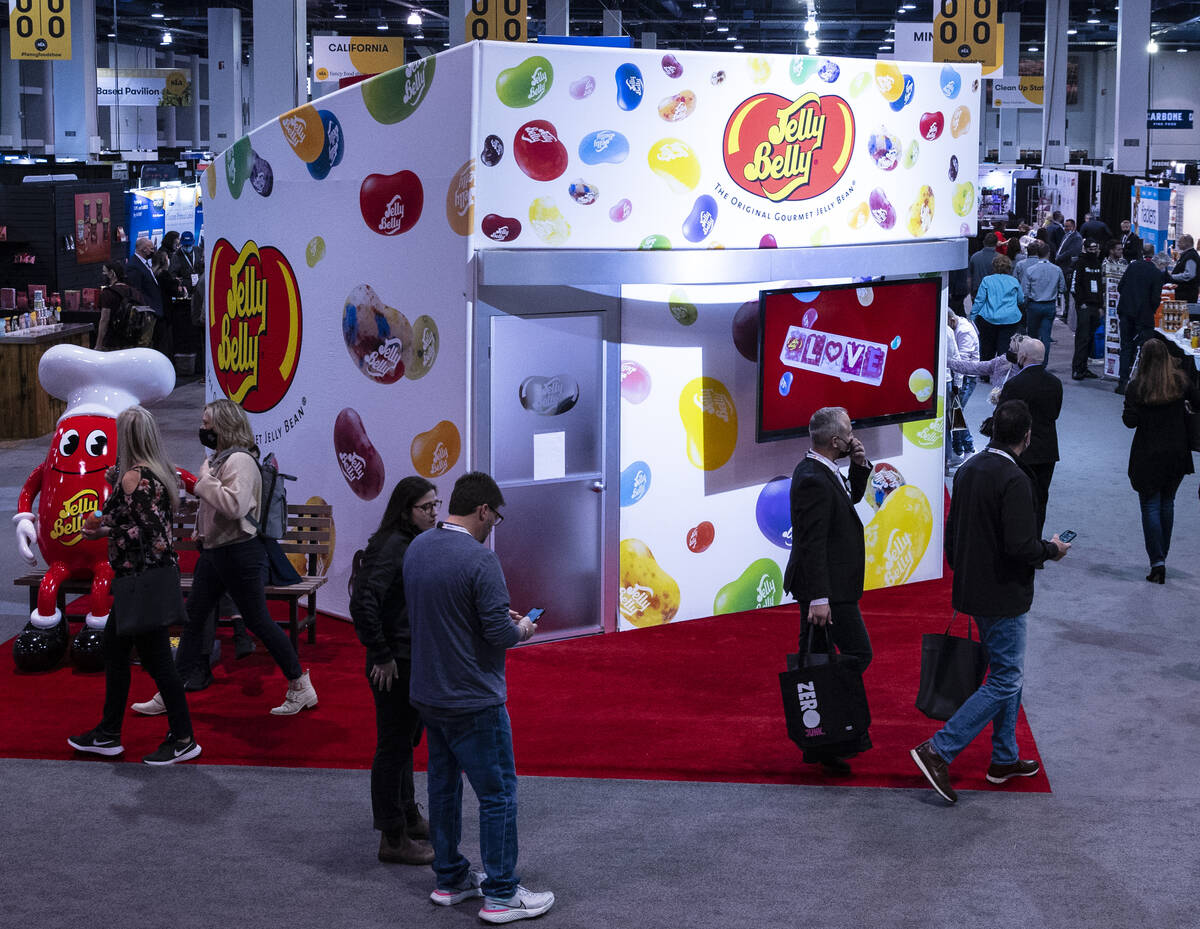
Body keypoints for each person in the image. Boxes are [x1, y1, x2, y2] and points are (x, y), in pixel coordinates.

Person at [403, 472, 554, 924]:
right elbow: (499, 634)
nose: (494, 526)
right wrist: (522, 627)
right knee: (498, 793)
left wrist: (491, 615)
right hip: (473, 697)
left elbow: (441, 612)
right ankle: (502, 893)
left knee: (444, 788)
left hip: (429, 692)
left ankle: (450, 879)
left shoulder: (417, 548)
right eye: (495, 517)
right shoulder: (481, 561)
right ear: (483, 510)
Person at [911, 400, 1070, 804]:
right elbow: (1020, 546)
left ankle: (1004, 758)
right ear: (1027, 436)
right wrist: (1051, 550)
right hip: (1003, 594)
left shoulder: (969, 468)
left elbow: (954, 532)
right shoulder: (1014, 479)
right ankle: (939, 750)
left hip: (973, 588)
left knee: (1006, 673)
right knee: (1006, 679)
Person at [132, 399, 317, 716]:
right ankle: (171, 691)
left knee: (258, 621)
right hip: (216, 553)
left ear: (225, 427)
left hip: (240, 553)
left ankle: (300, 685)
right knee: (194, 619)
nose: (202, 429)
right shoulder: (221, 460)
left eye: (207, 424)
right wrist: (198, 508)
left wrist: (202, 482)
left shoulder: (240, 461)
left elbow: (235, 506)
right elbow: (220, 504)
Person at [68, 405, 202, 765]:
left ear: (125, 438)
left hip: (138, 582)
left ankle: (183, 737)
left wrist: (96, 526)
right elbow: (148, 528)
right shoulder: (160, 475)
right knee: (115, 650)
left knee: (158, 662)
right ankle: (109, 732)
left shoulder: (130, 478)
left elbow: (116, 523)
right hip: (156, 577)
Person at [351, 476, 440, 866]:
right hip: (393, 663)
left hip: (407, 657)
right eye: (426, 507)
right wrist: (382, 654)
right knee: (392, 746)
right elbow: (363, 603)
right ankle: (392, 836)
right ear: (407, 510)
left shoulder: (410, 542)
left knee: (404, 743)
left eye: (437, 505)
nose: (434, 513)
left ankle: (407, 815)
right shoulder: (392, 547)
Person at [782, 406, 873, 775]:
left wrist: (860, 466)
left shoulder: (822, 470)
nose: (854, 435)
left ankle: (821, 744)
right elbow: (812, 542)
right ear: (836, 441)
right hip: (828, 592)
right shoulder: (812, 479)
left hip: (830, 588)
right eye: (849, 431)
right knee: (855, 654)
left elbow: (847, 498)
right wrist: (819, 598)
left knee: (819, 661)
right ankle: (830, 735)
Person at [1122, 339, 1200, 584]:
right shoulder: (1180, 381)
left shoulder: (1137, 386)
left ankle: (1157, 560)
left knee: (1150, 506)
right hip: (1177, 452)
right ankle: (1162, 555)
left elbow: (1129, 421)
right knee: (1168, 503)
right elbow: (1198, 403)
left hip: (1148, 454)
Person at [998, 339, 1061, 537]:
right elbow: (1054, 414)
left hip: (1019, 452)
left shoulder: (1014, 385)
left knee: (1017, 501)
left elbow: (1003, 417)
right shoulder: (1055, 383)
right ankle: (1036, 545)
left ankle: (1018, 545)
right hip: (1047, 450)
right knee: (1041, 500)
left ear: (1022, 356)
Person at [1116, 243, 1167, 394]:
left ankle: (1122, 382)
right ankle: (1144, 385)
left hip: (1126, 313)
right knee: (1146, 350)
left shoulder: (1132, 267)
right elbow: (1155, 299)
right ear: (1154, 254)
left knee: (1125, 347)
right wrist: (1149, 311)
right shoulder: (1156, 273)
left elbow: (1120, 287)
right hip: (1144, 317)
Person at [972, 253, 1024, 362]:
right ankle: (1002, 374)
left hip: (988, 318)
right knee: (1005, 349)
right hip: (1010, 319)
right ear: (1009, 267)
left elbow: (979, 300)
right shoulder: (1014, 281)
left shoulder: (987, 280)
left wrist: (972, 317)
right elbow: (1021, 300)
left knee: (987, 348)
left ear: (994, 267)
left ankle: (985, 374)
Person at [1071, 239, 1105, 380]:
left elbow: (1100, 286)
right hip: (1084, 306)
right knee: (1082, 338)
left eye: (1095, 248)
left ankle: (1084, 368)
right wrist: (1081, 303)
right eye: (1090, 249)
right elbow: (1074, 285)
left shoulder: (1097, 263)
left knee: (1090, 339)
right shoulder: (1079, 263)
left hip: (1095, 306)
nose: (1093, 251)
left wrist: (1101, 305)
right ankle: (1077, 369)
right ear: (1085, 249)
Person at [949, 308, 980, 459]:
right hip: (963, 376)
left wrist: (957, 384)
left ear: (952, 320)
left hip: (967, 377)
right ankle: (958, 449)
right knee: (955, 413)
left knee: (956, 413)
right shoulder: (959, 326)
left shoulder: (964, 331)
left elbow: (962, 363)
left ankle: (968, 448)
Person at [95, 261, 146, 351]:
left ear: (112, 273)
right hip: (133, 343)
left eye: (104, 272)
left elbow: (104, 320)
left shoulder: (107, 293)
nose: (103, 274)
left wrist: (98, 345)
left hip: (112, 344)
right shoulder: (135, 292)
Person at [124, 238, 163, 349]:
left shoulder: (143, 263)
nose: (153, 251)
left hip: (154, 311)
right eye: (151, 249)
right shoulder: (134, 266)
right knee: (144, 344)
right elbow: (136, 292)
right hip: (147, 313)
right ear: (143, 249)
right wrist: (148, 309)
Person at [1056, 218, 1083, 321]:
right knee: (1063, 291)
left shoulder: (1077, 237)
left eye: (1068, 226)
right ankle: (1065, 311)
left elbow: (1072, 251)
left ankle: (1067, 313)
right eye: (1065, 226)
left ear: (1074, 227)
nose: (1066, 228)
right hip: (1062, 266)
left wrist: (1059, 257)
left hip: (1068, 267)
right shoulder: (1066, 235)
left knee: (1067, 291)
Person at [1168, 233, 1199, 303]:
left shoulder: (1191, 256)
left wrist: (1172, 277)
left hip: (1187, 295)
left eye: (1180, 242)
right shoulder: (1187, 255)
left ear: (1186, 243)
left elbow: (1189, 275)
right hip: (1184, 293)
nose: (1178, 244)